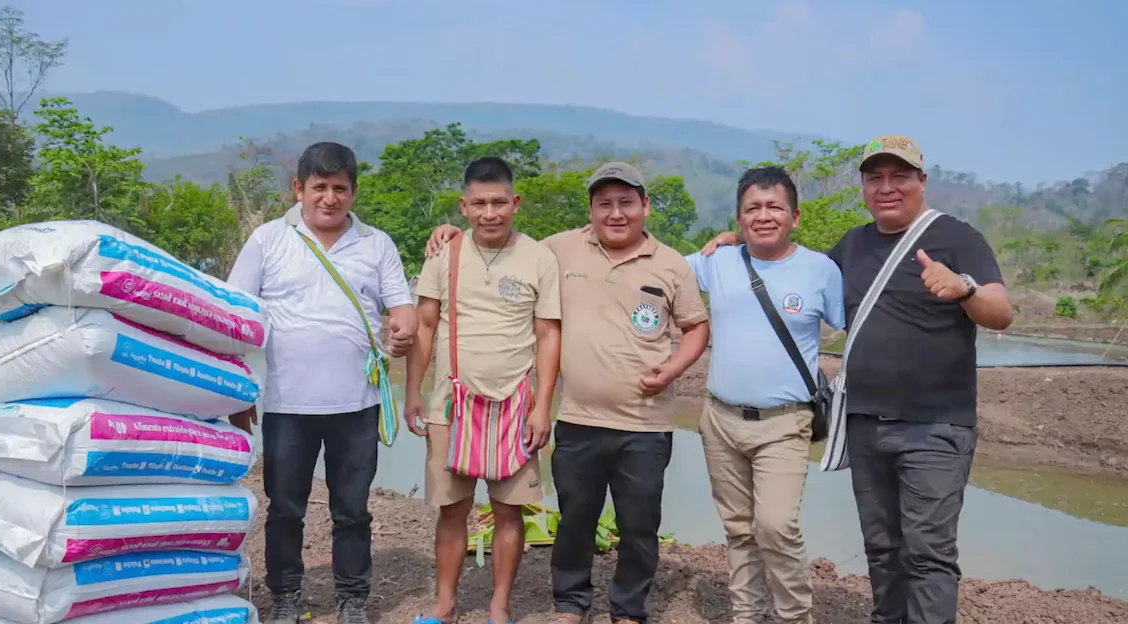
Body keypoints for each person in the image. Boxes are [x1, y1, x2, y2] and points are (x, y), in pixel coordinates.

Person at [703, 136, 1012, 624]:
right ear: (865, 186)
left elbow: (1001, 311)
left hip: (935, 426)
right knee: (883, 548)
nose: (887, 187)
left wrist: (964, 287)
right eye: (876, 178)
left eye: (899, 177)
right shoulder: (853, 245)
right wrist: (737, 241)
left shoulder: (957, 238)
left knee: (928, 553)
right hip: (865, 422)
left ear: (921, 182)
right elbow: (789, 267)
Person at [425, 162, 711, 624]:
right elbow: (497, 235)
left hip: (646, 420)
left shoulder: (672, 263)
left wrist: (673, 367)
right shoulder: (559, 250)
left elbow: (697, 327)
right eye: (605, 205)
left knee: (639, 524)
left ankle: (628, 608)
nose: (615, 214)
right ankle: (570, 603)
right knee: (576, 517)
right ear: (592, 210)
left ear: (645, 206)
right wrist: (450, 231)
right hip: (577, 417)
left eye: (626, 203)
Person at [226, 142, 418, 624]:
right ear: (299, 189)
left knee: (352, 510)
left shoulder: (377, 244)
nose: (329, 198)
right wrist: (237, 388)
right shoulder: (268, 240)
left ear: (353, 192)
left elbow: (403, 308)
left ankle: (353, 597)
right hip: (288, 405)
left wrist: (403, 330)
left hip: (357, 405)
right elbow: (232, 318)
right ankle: (285, 596)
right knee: (285, 508)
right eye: (319, 188)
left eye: (340, 188)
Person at [405, 156, 562, 624]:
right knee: (451, 512)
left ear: (515, 203)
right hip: (450, 405)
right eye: (478, 204)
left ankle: (498, 609)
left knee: (508, 513)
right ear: (464, 206)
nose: (489, 213)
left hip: (515, 404)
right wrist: (413, 391)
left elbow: (549, 334)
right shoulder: (444, 255)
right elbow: (426, 326)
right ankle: (445, 606)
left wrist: (543, 408)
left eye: (498, 203)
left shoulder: (538, 257)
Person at [686, 167, 844, 624]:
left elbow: (853, 325)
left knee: (777, 526)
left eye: (774, 206)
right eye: (752, 207)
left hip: (785, 423)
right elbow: (655, 266)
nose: (764, 215)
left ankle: (795, 617)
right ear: (739, 217)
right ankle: (746, 615)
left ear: (795, 216)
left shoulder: (820, 270)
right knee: (738, 530)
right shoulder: (717, 261)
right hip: (720, 419)